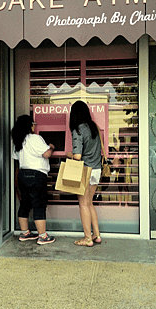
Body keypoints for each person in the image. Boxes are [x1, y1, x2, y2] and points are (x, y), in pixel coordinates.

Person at [11, 114, 55, 245]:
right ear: (29, 125)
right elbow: (46, 154)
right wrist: (52, 147)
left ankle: (25, 233)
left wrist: (16, 180)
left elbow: (17, 162)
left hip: (23, 174)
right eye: (34, 124)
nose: (35, 126)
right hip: (36, 175)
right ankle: (43, 236)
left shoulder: (18, 140)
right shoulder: (35, 138)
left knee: (24, 203)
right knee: (39, 204)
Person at [67, 100, 102, 247]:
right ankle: (96, 235)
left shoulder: (78, 130)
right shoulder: (94, 127)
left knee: (83, 204)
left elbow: (77, 156)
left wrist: (68, 154)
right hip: (96, 170)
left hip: (85, 171)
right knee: (89, 203)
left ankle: (87, 238)